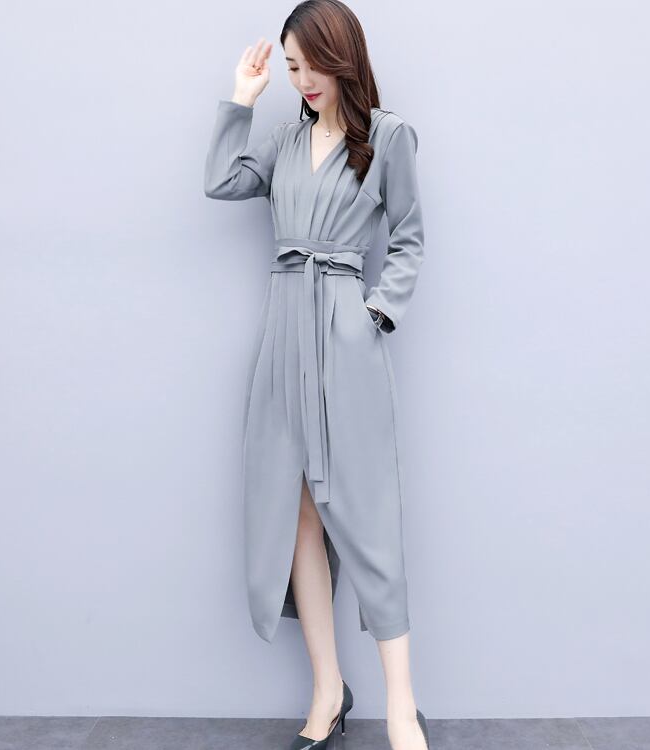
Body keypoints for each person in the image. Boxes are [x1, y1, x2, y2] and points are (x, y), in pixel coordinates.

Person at [203, 2, 427, 748]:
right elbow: (220, 181)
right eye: (292, 67)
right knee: (294, 509)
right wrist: (242, 97)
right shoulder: (283, 139)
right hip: (282, 336)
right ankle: (328, 689)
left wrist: (375, 315)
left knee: (366, 517)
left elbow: (409, 239)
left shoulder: (388, 137)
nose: (301, 80)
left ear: (344, 59)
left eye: (311, 66)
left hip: (345, 337)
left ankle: (401, 706)